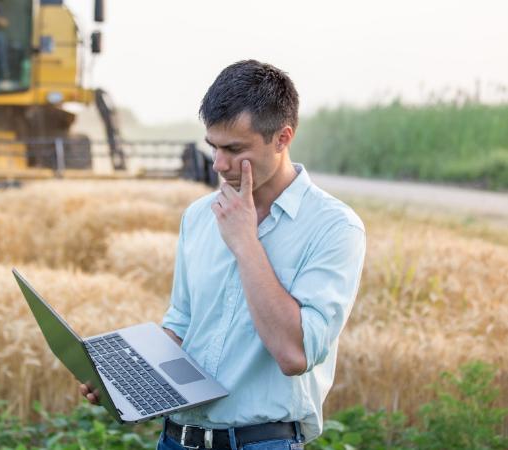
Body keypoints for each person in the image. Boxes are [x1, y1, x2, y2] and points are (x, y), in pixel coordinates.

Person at [80, 60, 366, 449]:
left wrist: (245, 241)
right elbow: (181, 326)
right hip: (175, 439)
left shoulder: (334, 227)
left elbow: (293, 353)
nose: (219, 165)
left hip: (261, 442)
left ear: (283, 138)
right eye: (213, 147)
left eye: (234, 149)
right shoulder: (198, 216)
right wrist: (125, 378)